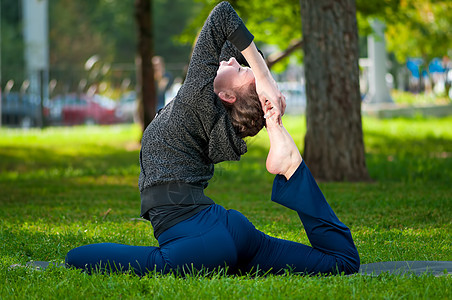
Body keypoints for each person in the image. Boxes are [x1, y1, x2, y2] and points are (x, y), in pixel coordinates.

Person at [65, 1, 359, 276]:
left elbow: (221, 15)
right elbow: (231, 36)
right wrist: (267, 105)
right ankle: (293, 169)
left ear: (228, 96)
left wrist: (265, 79)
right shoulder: (214, 107)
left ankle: (288, 158)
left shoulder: (198, 98)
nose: (234, 60)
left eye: (242, 68)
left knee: (75, 258)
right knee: (341, 262)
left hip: (196, 241)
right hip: (228, 229)